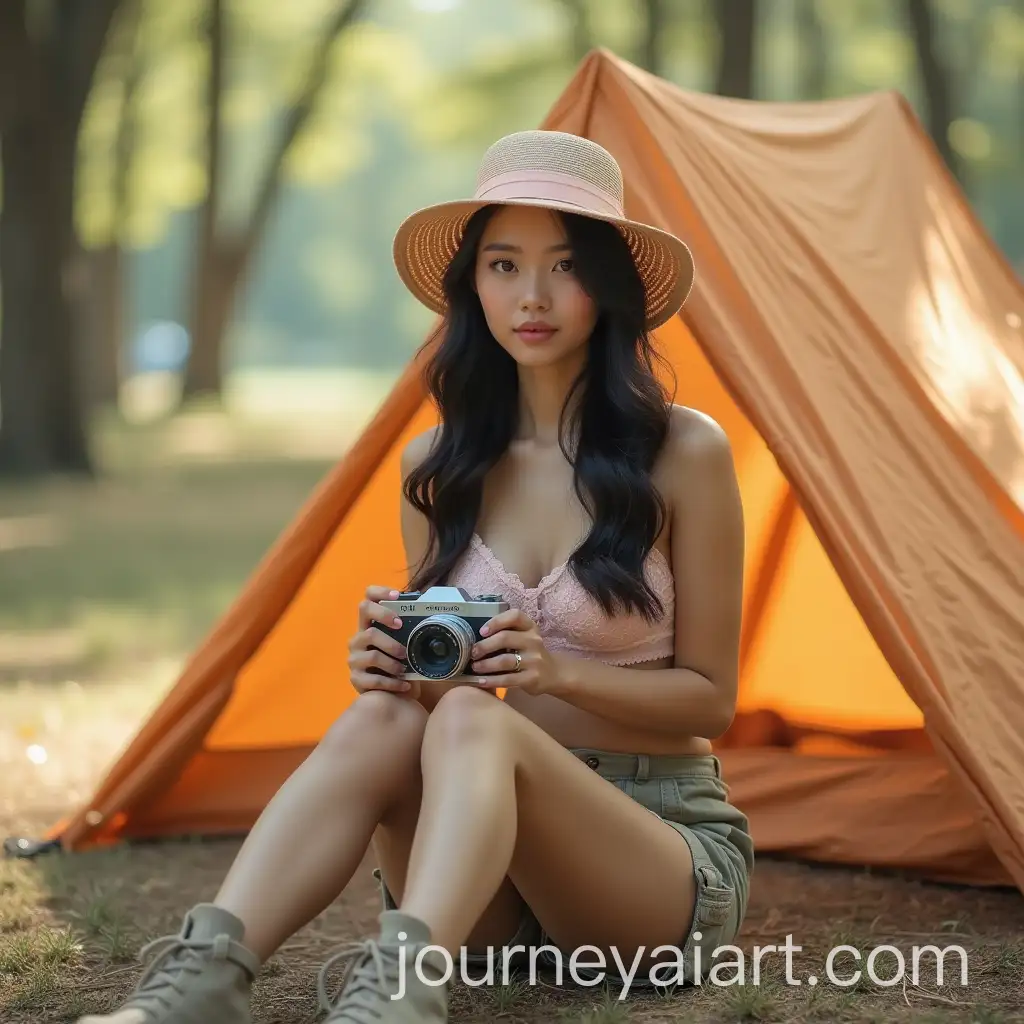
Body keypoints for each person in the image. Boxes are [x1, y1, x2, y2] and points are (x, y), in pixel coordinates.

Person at [76, 129, 753, 1024]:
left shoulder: (685, 451)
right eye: (504, 266)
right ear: (473, 285)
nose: (533, 296)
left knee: (477, 717)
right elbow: (441, 706)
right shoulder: (436, 466)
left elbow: (712, 701)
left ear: (609, 284)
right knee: (388, 712)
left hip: (649, 855)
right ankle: (203, 981)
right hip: (474, 866)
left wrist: (555, 673)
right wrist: (395, 664)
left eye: (563, 266)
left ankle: (398, 997)